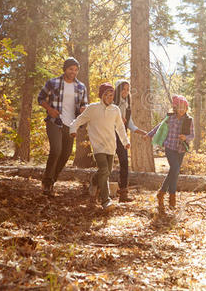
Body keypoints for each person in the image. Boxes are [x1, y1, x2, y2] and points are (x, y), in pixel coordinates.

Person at [70, 83, 130, 211]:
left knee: (106, 172)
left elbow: (120, 127)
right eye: (106, 95)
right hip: (98, 146)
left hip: (111, 145)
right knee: (104, 170)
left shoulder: (115, 110)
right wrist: (72, 129)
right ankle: (105, 201)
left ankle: (94, 181)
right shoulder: (93, 108)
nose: (109, 97)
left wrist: (125, 142)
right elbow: (80, 120)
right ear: (101, 95)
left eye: (111, 95)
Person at [37, 57, 88, 196]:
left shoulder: (81, 87)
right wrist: (49, 109)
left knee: (65, 154)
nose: (73, 72)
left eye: (76, 70)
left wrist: (84, 109)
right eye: (71, 69)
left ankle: (52, 181)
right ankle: (47, 182)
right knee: (56, 150)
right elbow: (40, 98)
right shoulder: (53, 82)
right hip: (55, 121)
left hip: (71, 125)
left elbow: (84, 104)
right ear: (65, 69)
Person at [147, 95, 194, 214]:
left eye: (184, 107)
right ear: (176, 107)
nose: (182, 110)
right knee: (175, 168)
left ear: (186, 108)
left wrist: (186, 137)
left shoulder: (189, 120)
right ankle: (172, 197)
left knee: (174, 172)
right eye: (180, 107)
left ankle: (162, 193)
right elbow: (159, 127)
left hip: (181, 149)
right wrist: (149, 134)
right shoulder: (170, 118)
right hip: (170, 147)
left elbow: (192, 136)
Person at [113, 80, 148, 202]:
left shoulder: (127, 106)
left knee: (124, 163)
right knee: (106, 164)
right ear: (117, 90)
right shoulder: (111, 103)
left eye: (127, 90)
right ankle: (97, 188)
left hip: (122, 137)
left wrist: (142, 132)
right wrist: (117, 118)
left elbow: (130, 124)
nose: (125, 92)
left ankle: (123, 194)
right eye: (123, 89)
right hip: (110, 136)